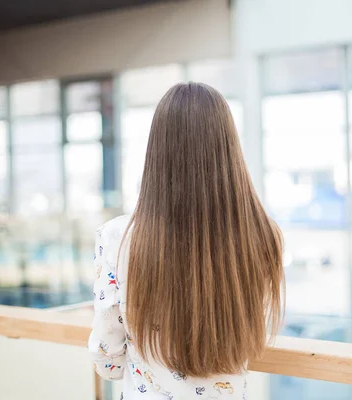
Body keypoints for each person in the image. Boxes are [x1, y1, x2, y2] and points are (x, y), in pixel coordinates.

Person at [88, 82, 285, 399]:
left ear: (158, 151)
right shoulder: (263, 234)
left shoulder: (116, 236)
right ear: (228, 146)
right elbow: (248, 333)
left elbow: (107, 355)